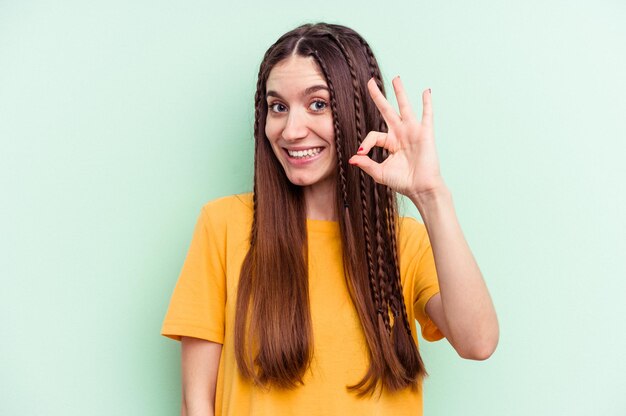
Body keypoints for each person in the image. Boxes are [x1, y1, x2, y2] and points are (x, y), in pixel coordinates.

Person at [161, 22, 499, 416]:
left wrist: (431, 195)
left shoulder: (403, 242)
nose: (291, 130)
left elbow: (478, 342)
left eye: (317, 104)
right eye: (278, 107)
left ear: (357, 111)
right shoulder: (223, 226)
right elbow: (196, 402)